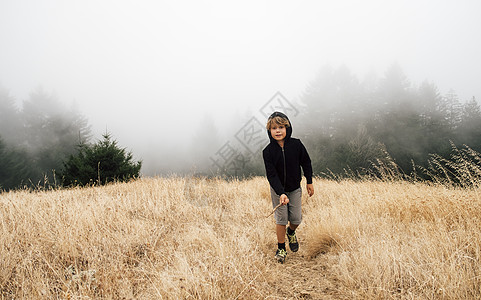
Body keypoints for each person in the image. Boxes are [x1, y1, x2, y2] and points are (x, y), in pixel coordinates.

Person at [262, 111, 314, 263]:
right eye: (274, 128)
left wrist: (309, 181)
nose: (278, 131)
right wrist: (280, 193)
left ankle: (291, 232)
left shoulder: (296, 144)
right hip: (278, 190)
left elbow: (306, 162)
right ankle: (281, 248)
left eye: (281, 127)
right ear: (269, 131)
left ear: (288, 128)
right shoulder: (268, 152)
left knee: (296, 219)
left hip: (295, 188)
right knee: (281, 220)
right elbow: (271, 175)